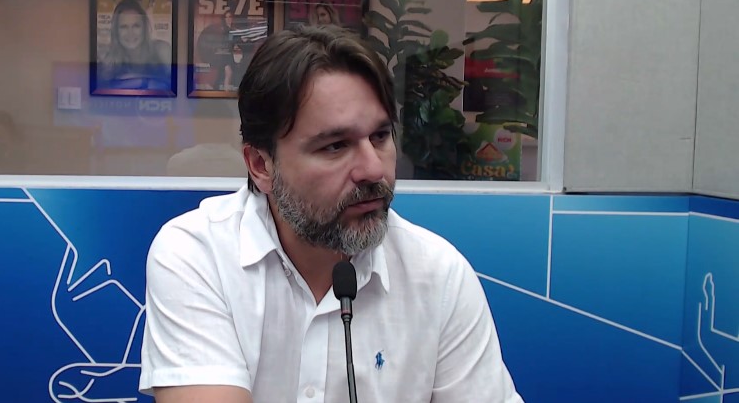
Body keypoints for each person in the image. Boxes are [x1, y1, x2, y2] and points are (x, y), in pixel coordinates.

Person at [139, 25, 523, 403]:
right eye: (335, 146)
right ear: (260, 165)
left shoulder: (438, 275)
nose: (373, 170)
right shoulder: (199, 255)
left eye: (380, 137)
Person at [98, 0, 172, 90]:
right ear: (116, 31)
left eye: (136, 26)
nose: (130, 33)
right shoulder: (108, 60)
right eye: (124, 27)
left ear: (144, 28)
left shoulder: (162, 51)